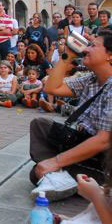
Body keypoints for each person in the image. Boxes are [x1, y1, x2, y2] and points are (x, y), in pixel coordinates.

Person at [28, 29, 112, 201]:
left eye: (93, 46)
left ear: (109, 56)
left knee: (36, 172)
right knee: (40, 125)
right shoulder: (91, 79)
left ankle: (64, 177)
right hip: (85, 142)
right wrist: (67, 56)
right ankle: (64, 178)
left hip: (105, 159)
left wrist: (57, 162)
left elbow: (104, 140)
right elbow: (52, 88)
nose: (86, 49)